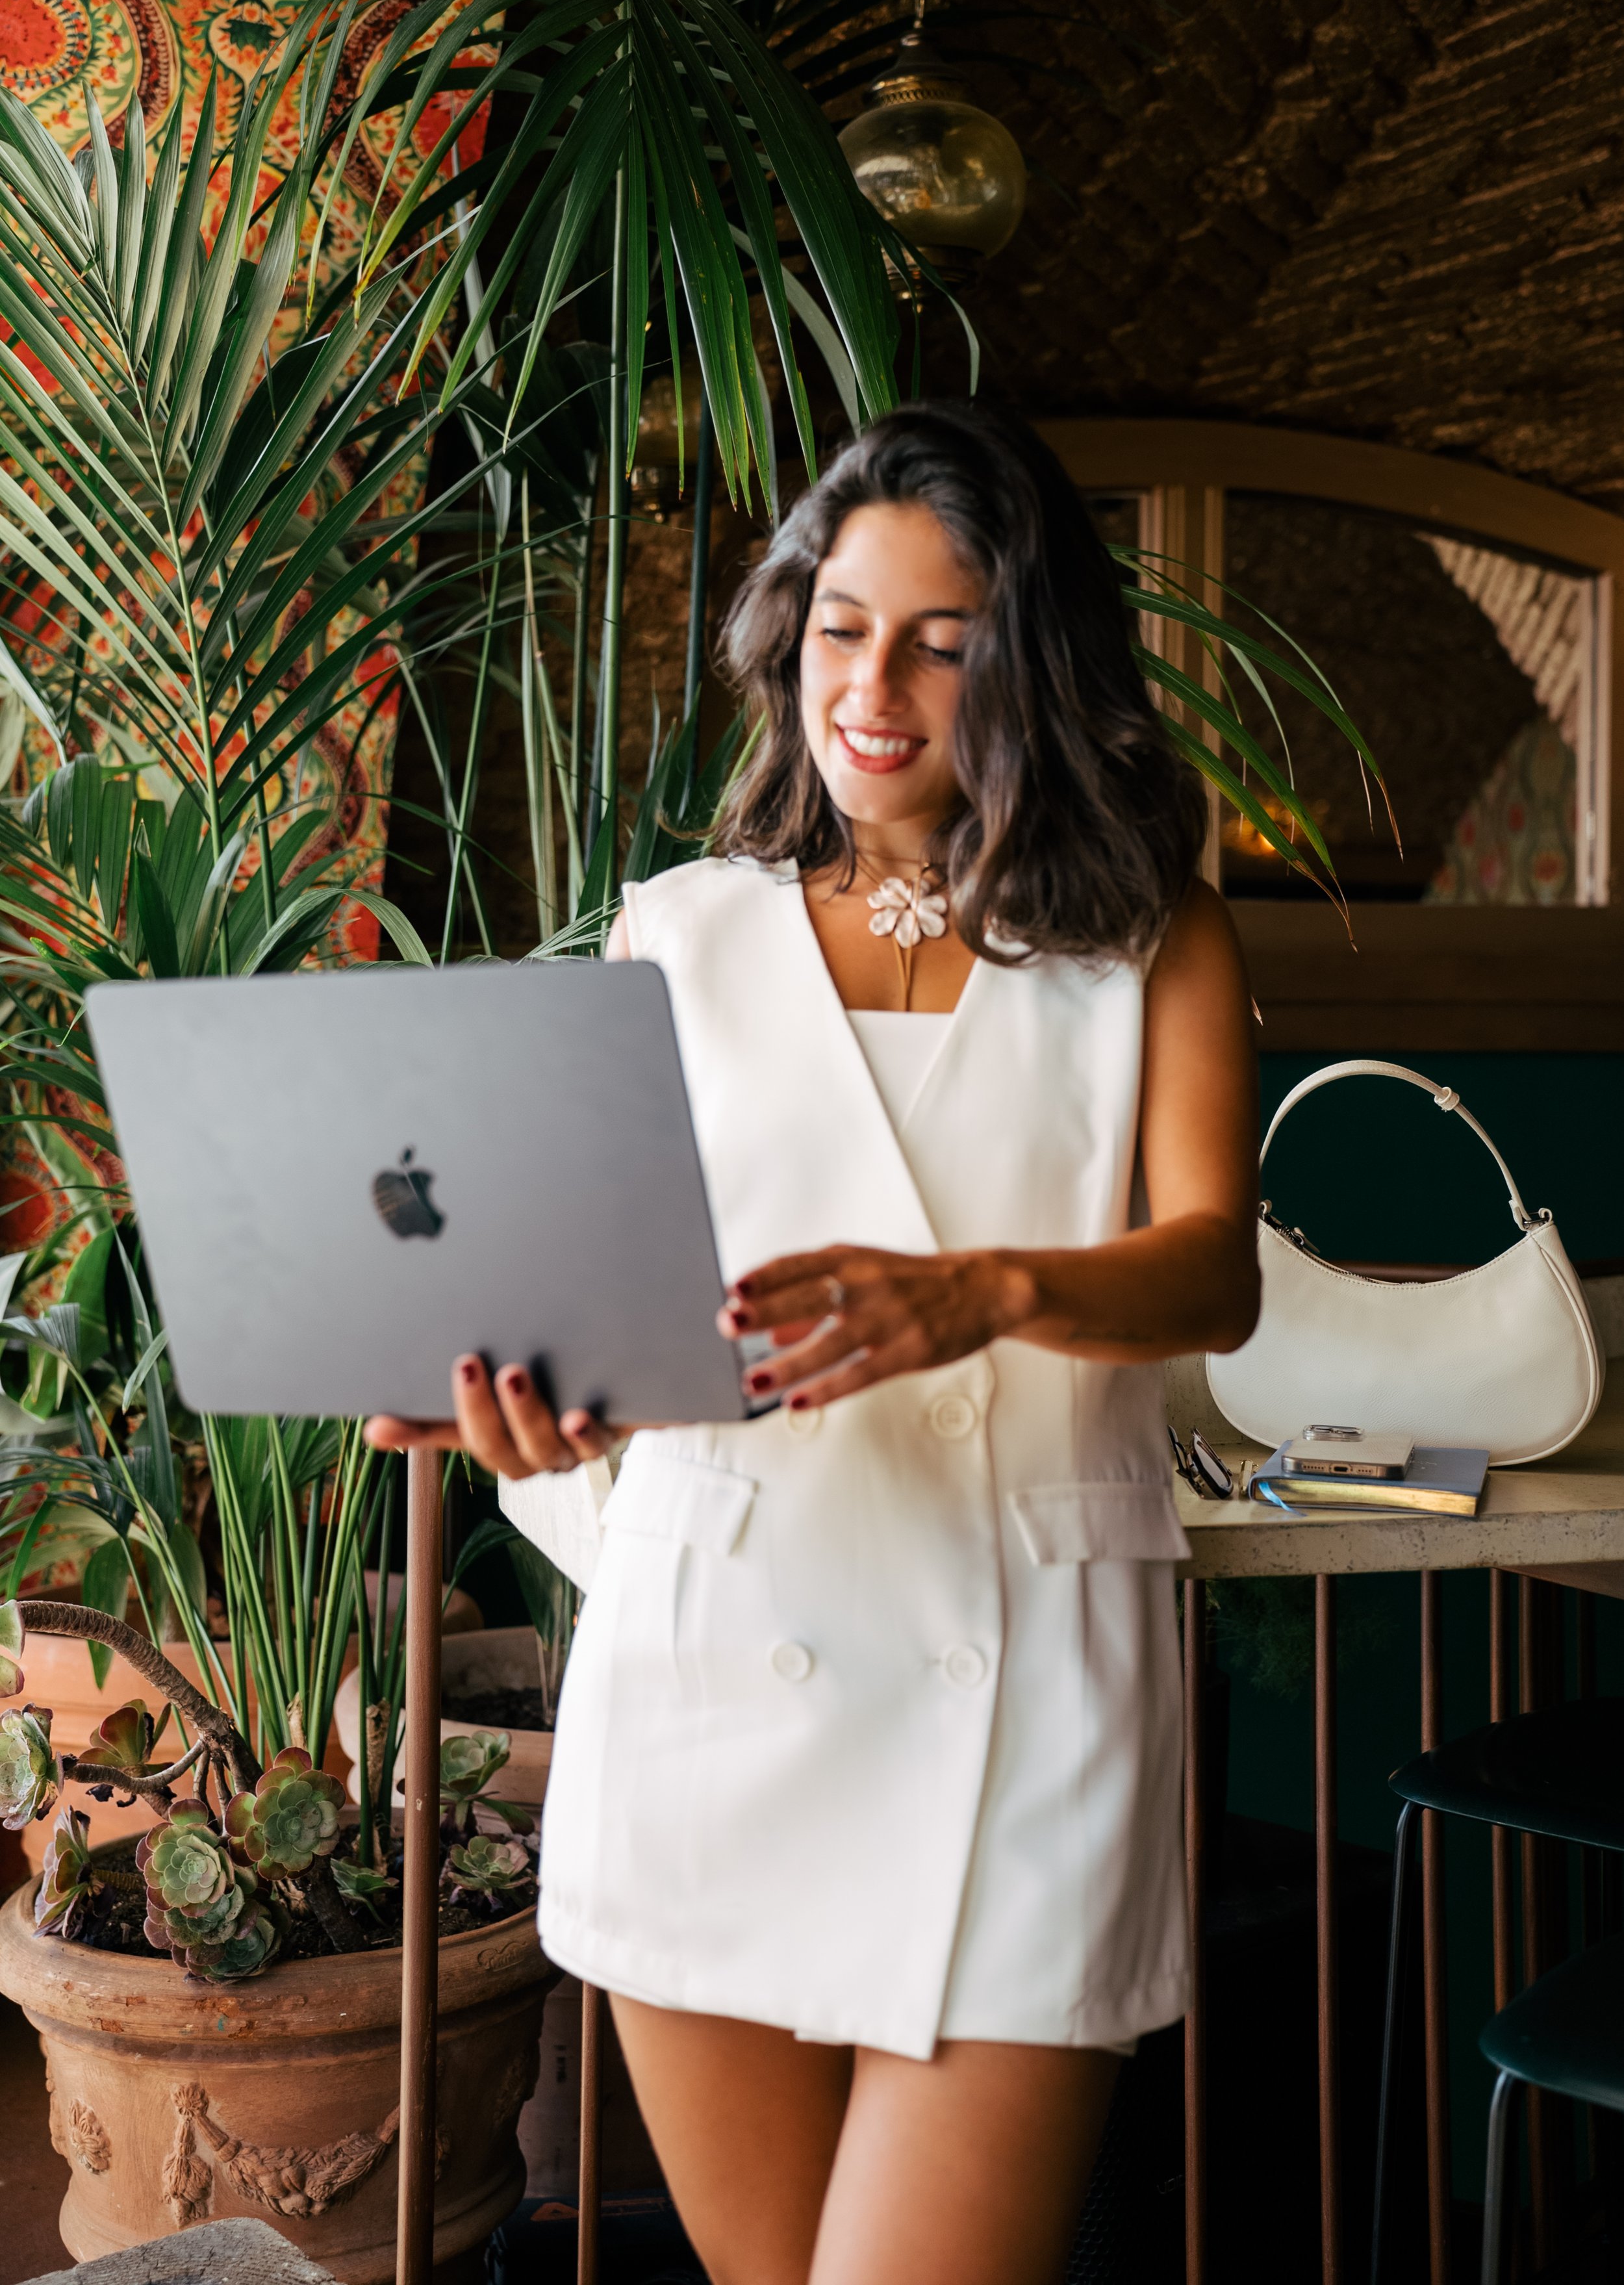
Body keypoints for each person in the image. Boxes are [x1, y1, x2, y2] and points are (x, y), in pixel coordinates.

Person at [366, 400, 1260, 2285]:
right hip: (713, 1690)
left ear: (1029, 666)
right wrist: (543, 1428)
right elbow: (611, 1320)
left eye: (945, 643)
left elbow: (1210, 1273)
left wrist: (986, 1295)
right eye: (844, 626)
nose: (878, 684)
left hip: (1021, 1699)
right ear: (792, 637)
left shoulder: (1149, 943)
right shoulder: (676, 937)